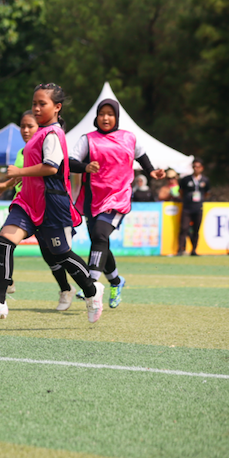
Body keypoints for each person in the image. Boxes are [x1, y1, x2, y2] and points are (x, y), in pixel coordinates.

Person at [0, 83, 104, 324]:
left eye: (42, 103)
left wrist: (20, 171)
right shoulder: (38, 135)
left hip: (51, 204)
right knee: (4, 241)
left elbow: (51, 167)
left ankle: (93, 290)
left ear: (57, 107)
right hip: (27, 202)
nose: (37, 107)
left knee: (60, 254)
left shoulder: (53, 134)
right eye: (34, 103)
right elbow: (32, 167)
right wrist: (10, 182)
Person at [69, 98, 165, 309]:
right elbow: (70, 162)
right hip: (93, 199)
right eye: (102, 113)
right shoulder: (88, 139)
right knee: (99, 240)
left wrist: (152, 172)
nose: (106, 118)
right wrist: (85, 167)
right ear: (96, 116)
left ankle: (90, 282)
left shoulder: (129, 138)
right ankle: (116, 281)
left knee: (100, 235)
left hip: (118, 197)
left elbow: (142, 157)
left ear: (117, 117)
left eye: (110, 114)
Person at [0, 110, 38, 298]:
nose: (25, 130)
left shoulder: (42, 151)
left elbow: (44, 172)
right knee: (5, 241)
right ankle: (6, 283)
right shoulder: (22, 152)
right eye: (22, 126)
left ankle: (83, 287)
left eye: (30, 126)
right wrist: (6, 184)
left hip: (42, 207)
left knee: (57, 255)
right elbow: (18, 176)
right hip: (23, 205)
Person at [176, 158, 210, 256]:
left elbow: (207, 193)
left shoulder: (205, 180)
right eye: (194, 166)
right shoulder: (186, 179)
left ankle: (194, 250)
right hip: (187, 207)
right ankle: (180, 249)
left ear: (202, 168)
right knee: (184, 228)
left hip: (198, 208)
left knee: (196, 229)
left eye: (198, 167)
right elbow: (181, 191)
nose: (196, 169)